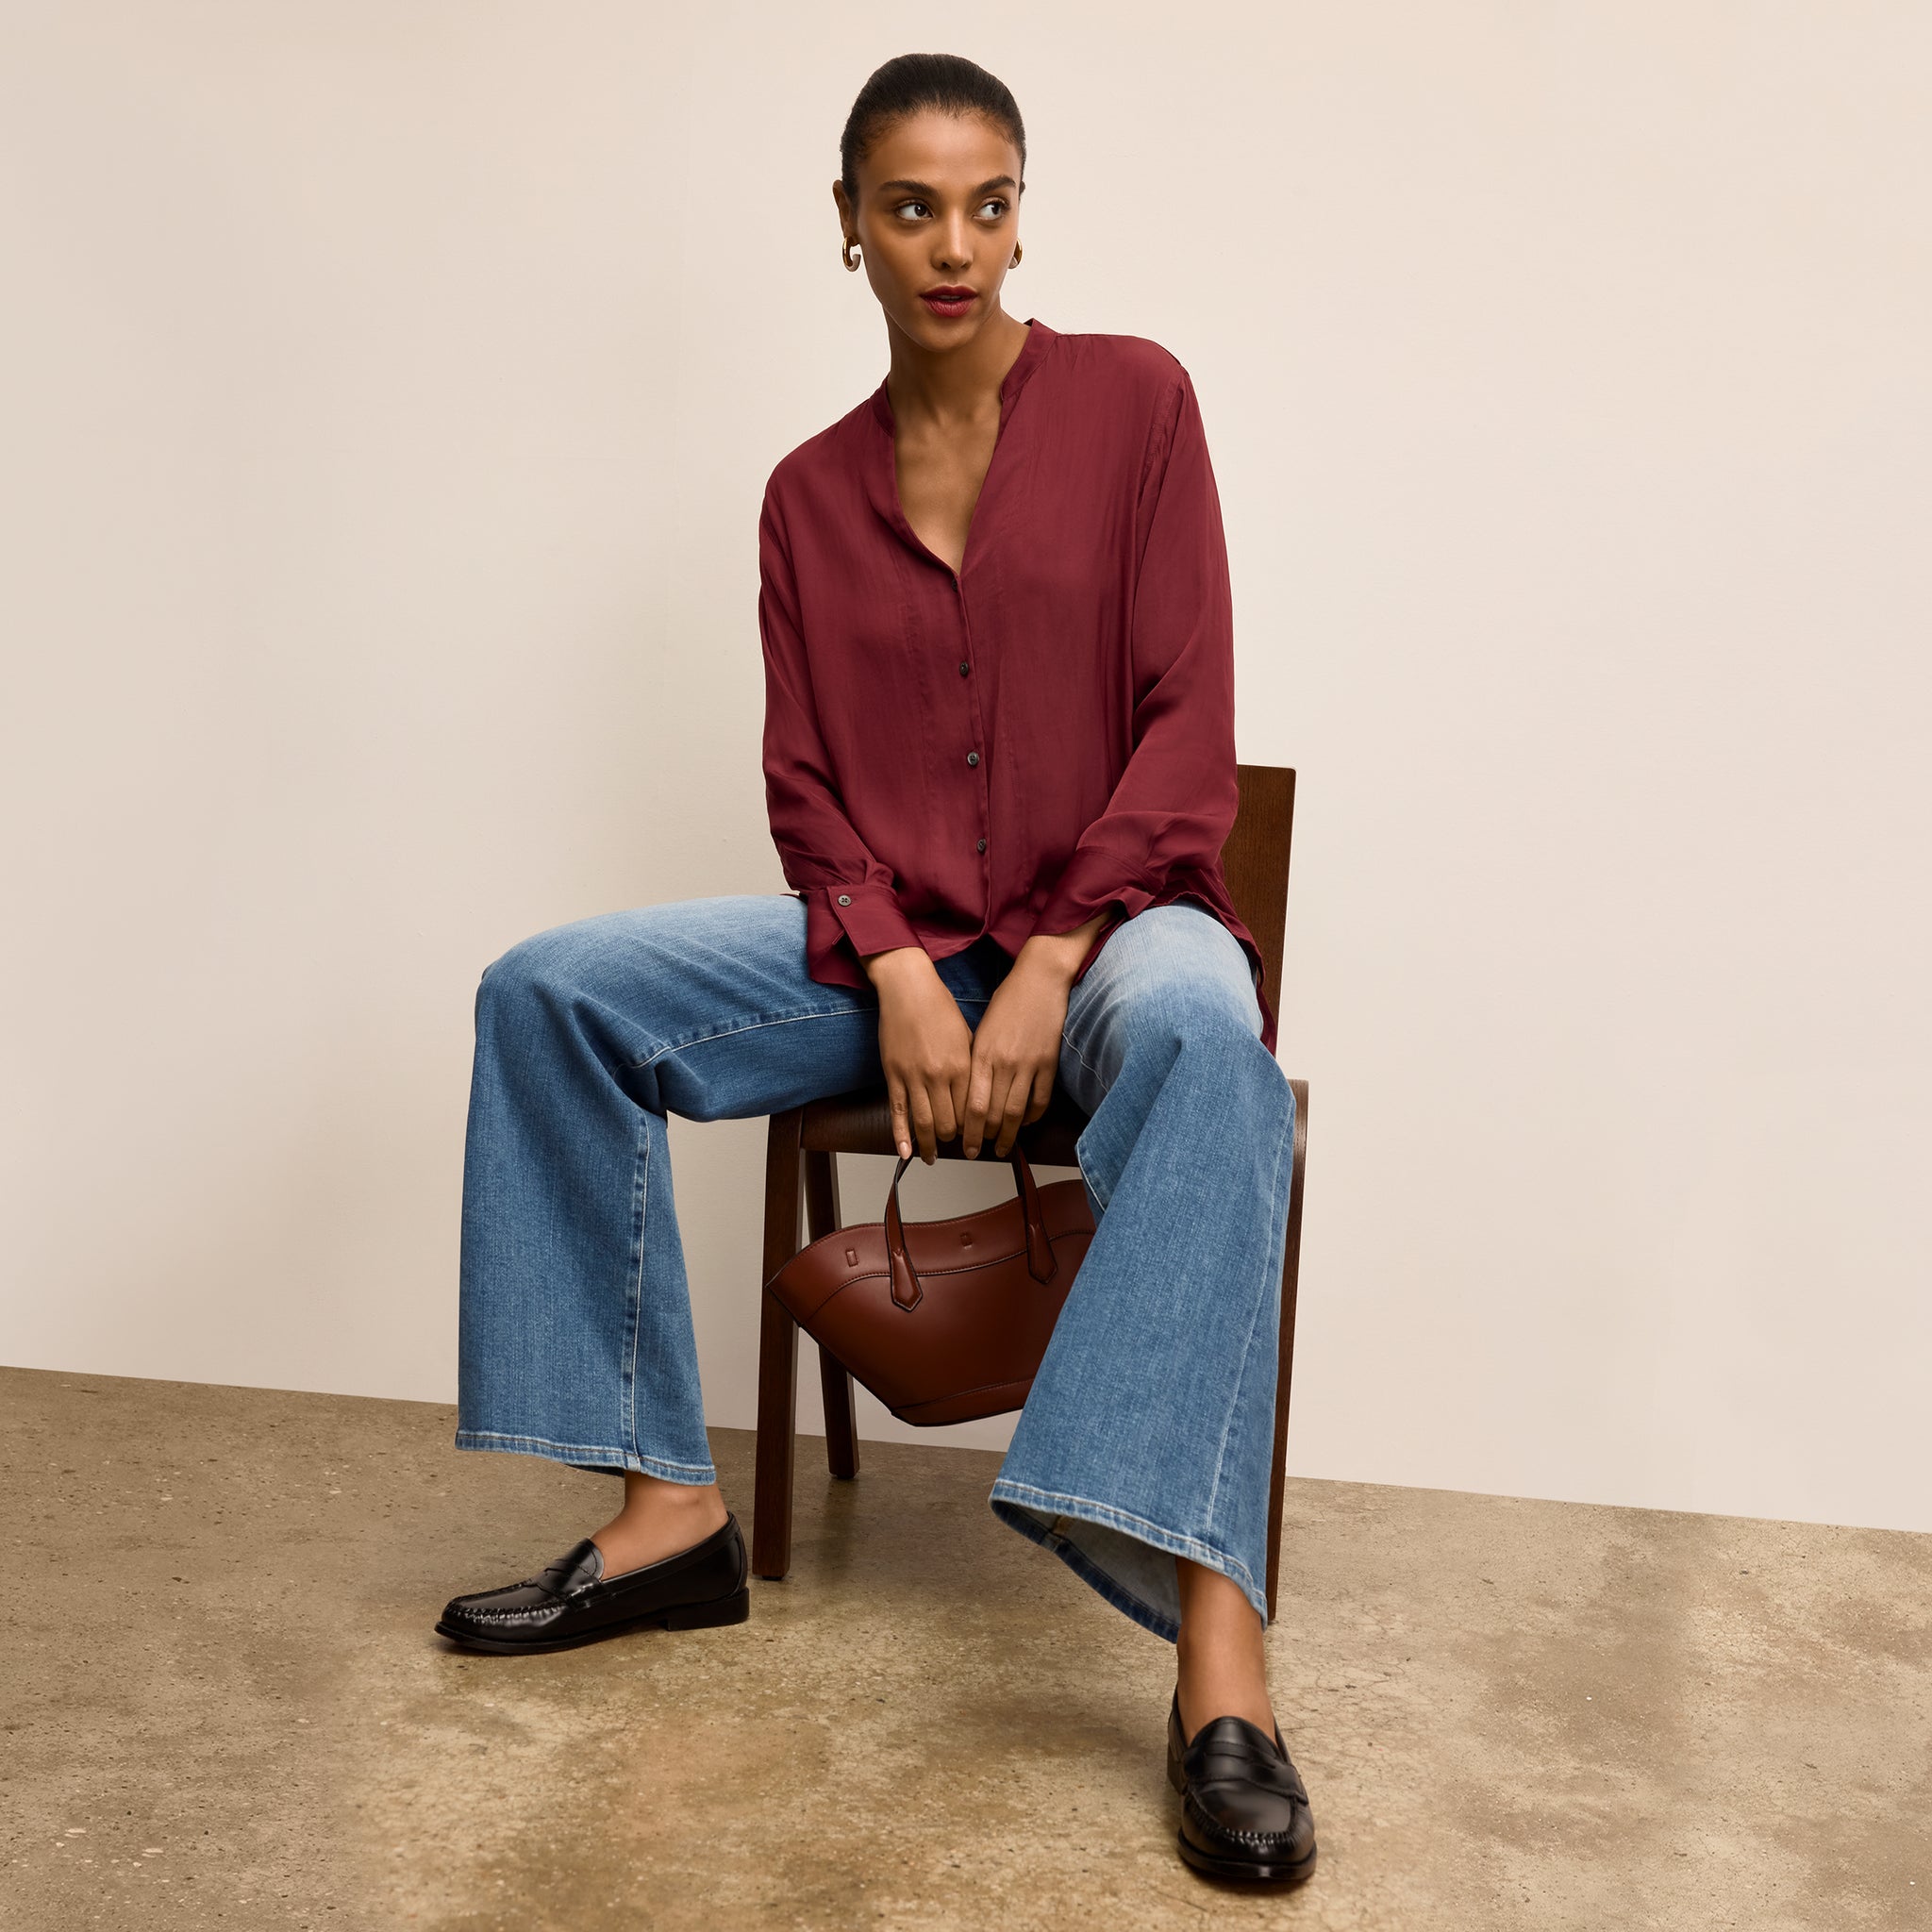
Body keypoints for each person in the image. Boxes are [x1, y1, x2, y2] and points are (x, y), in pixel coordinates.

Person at [434, 52, 1317, 1889]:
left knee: (1207, 1035)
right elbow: (807, 786)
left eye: (987, 204)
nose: (952, 245)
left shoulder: (1138, 405)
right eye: (911, 207)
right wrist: (903, 967)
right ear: (848, 224)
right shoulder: (805, 499)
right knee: (546, 993)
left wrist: (1047, 956)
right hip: (891, 949)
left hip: (1115, 932)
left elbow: (1188, 727)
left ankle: (1217, 1667)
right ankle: (666, 1515)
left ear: (1022, 218)